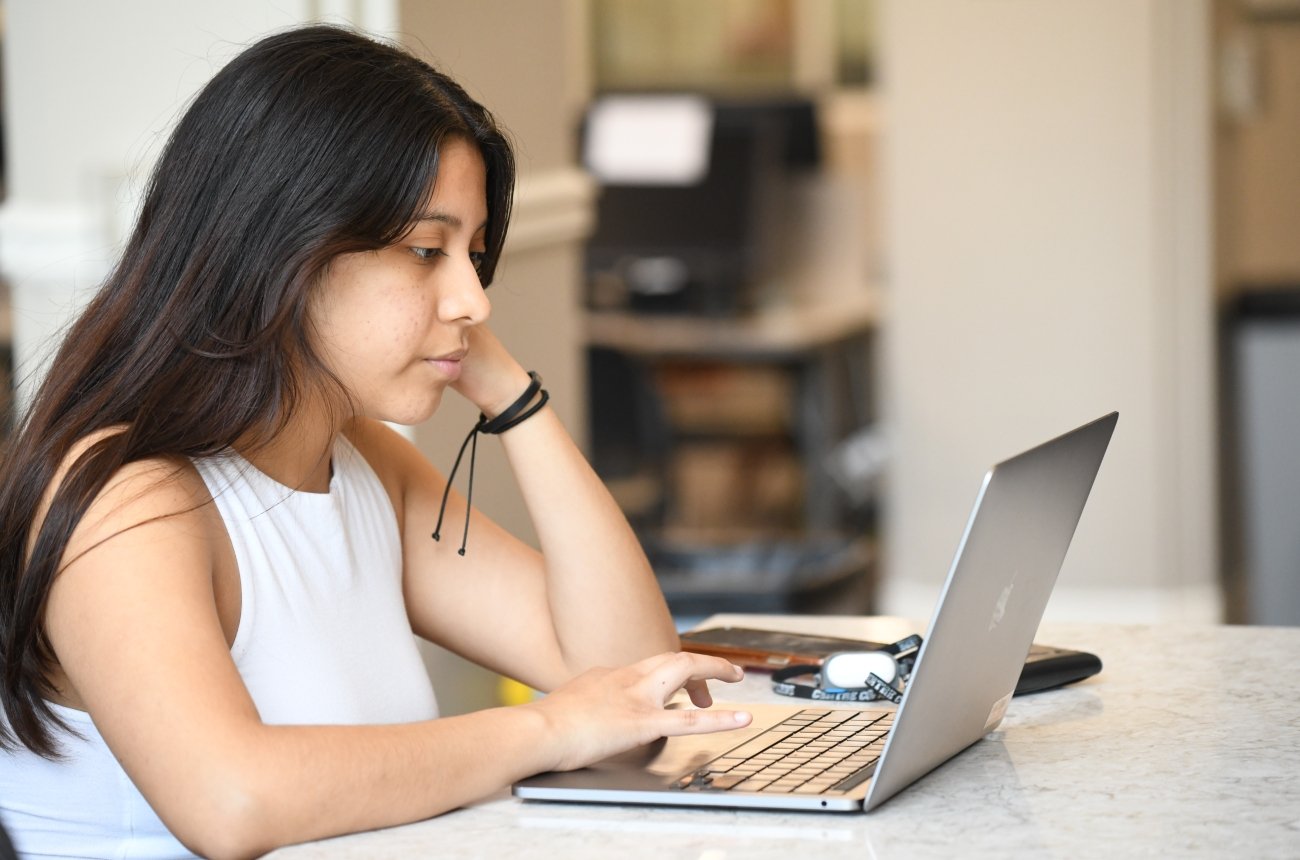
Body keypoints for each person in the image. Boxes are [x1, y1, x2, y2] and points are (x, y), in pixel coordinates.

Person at [0, 25, 751, 860]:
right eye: (427, 252)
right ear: (284, 251)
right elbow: (231, 800)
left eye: (472, 256)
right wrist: (550, 727)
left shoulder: (361, 464)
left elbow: (631, 676)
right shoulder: (129, 499)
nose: (472, 297)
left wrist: (514, 397)